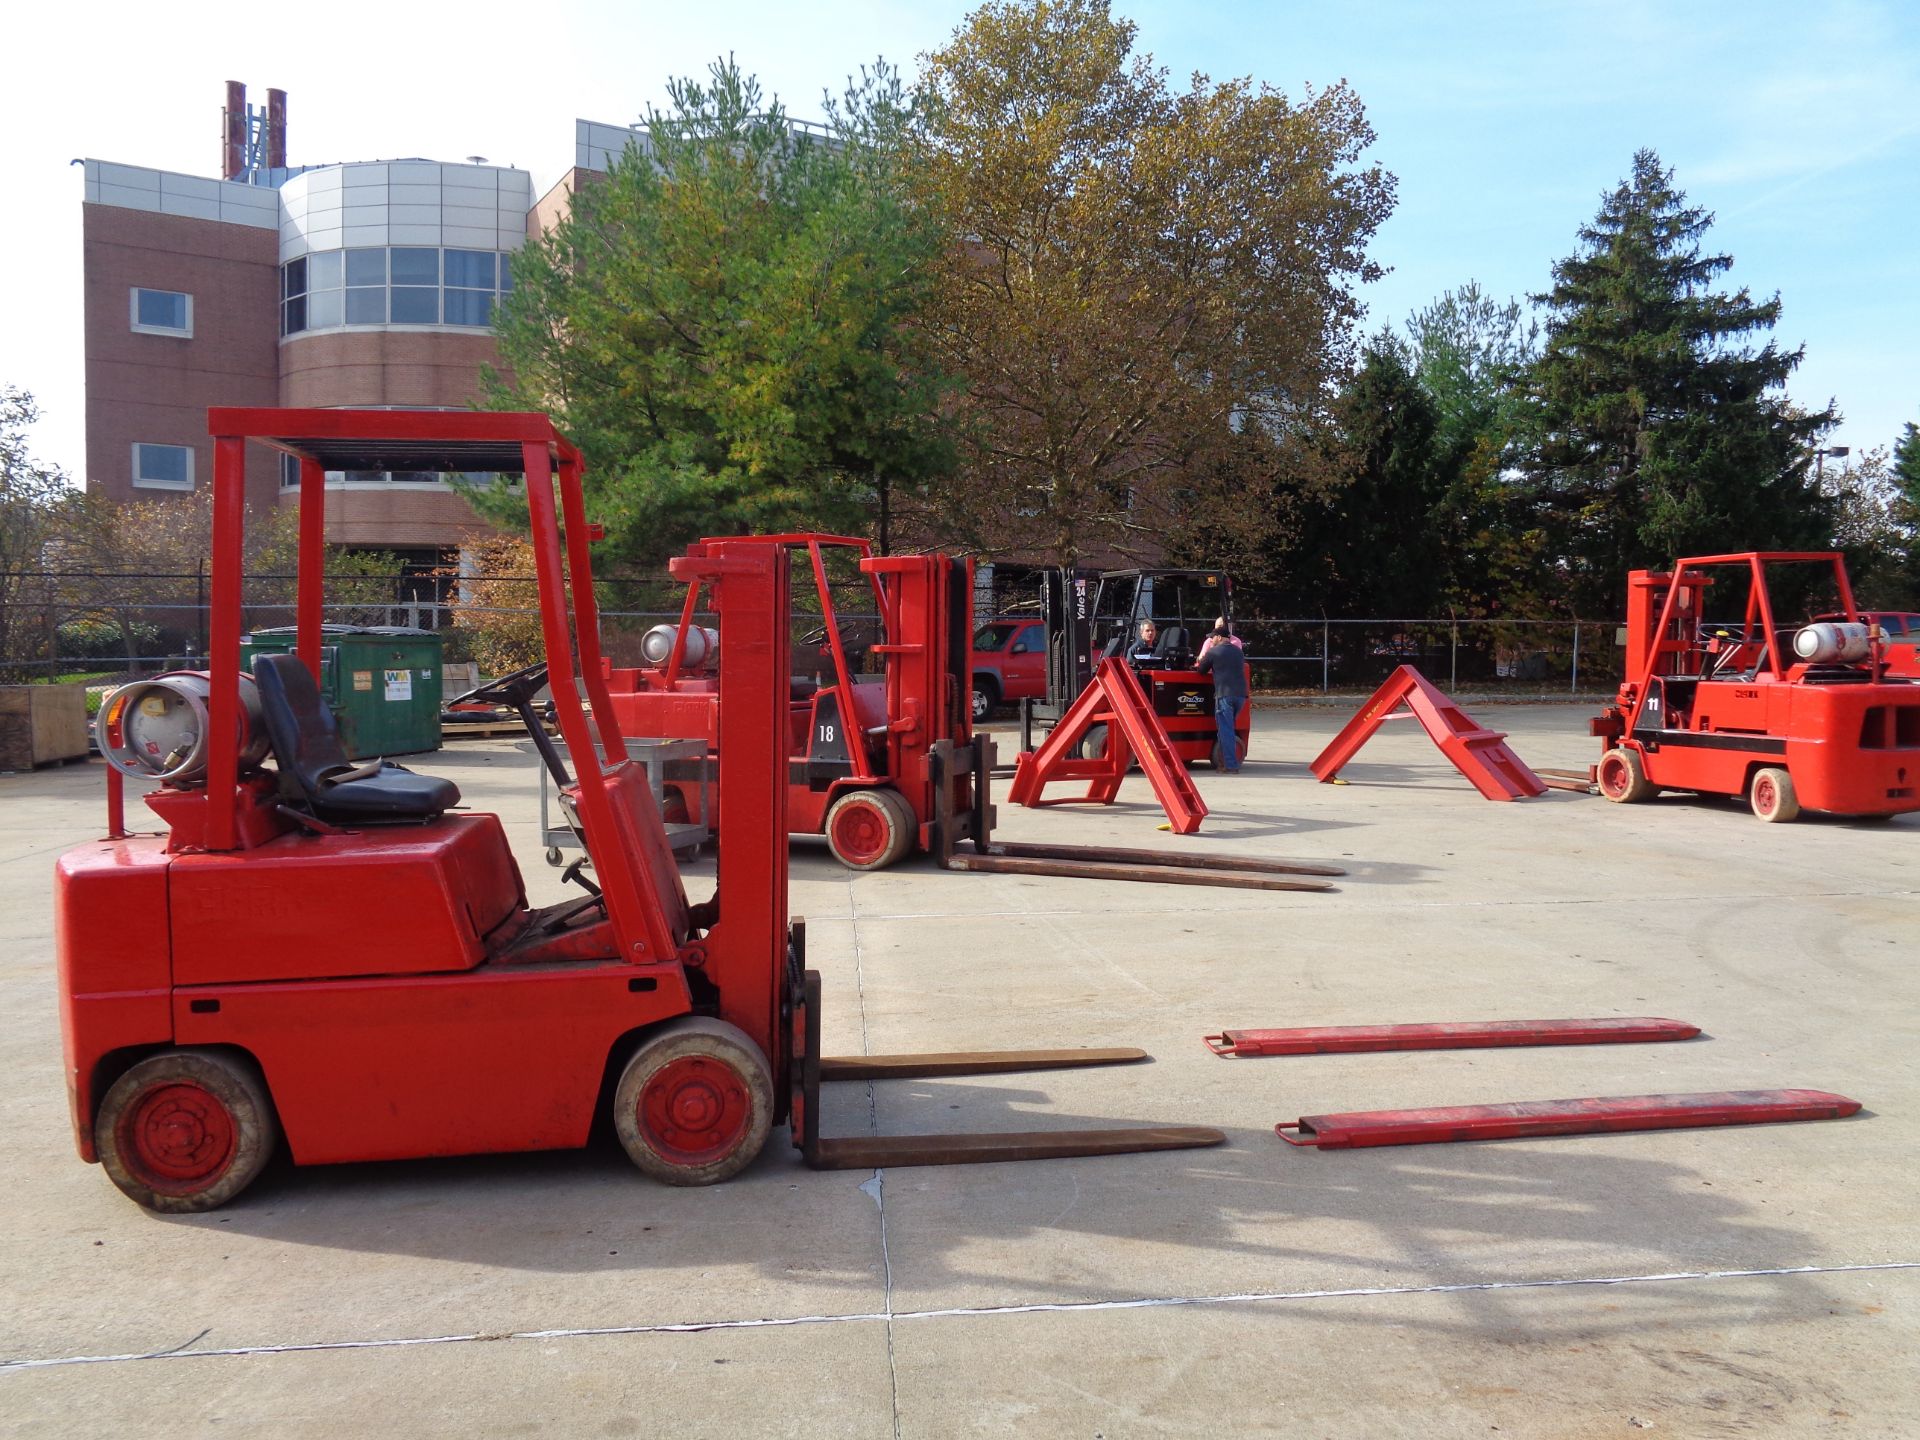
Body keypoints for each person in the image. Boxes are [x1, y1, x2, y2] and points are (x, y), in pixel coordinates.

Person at [1195, 619, 1247, 772]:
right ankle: (1224, 761)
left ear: (1219, 637)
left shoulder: (1213, 651)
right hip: (1240, 696)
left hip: (1224, 695)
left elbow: (1201, 670)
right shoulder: (1238, 651)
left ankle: (1230, 765)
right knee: (1228, 728)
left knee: (1226, 730)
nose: (1211, 640)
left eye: (1213, 637)